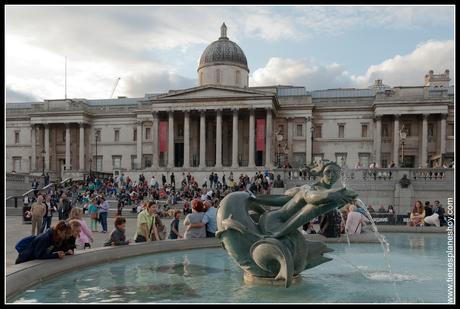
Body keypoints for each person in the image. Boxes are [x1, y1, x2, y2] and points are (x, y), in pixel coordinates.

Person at [15, 220, 81, 264]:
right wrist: (56, 255)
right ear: (59, 231)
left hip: (31, 260)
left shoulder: (57, 238)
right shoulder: (45, 238)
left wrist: (64, 252)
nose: (67, 236)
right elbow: (39, 255)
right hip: (24, 261)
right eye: (66, 233)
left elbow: (61, 248)